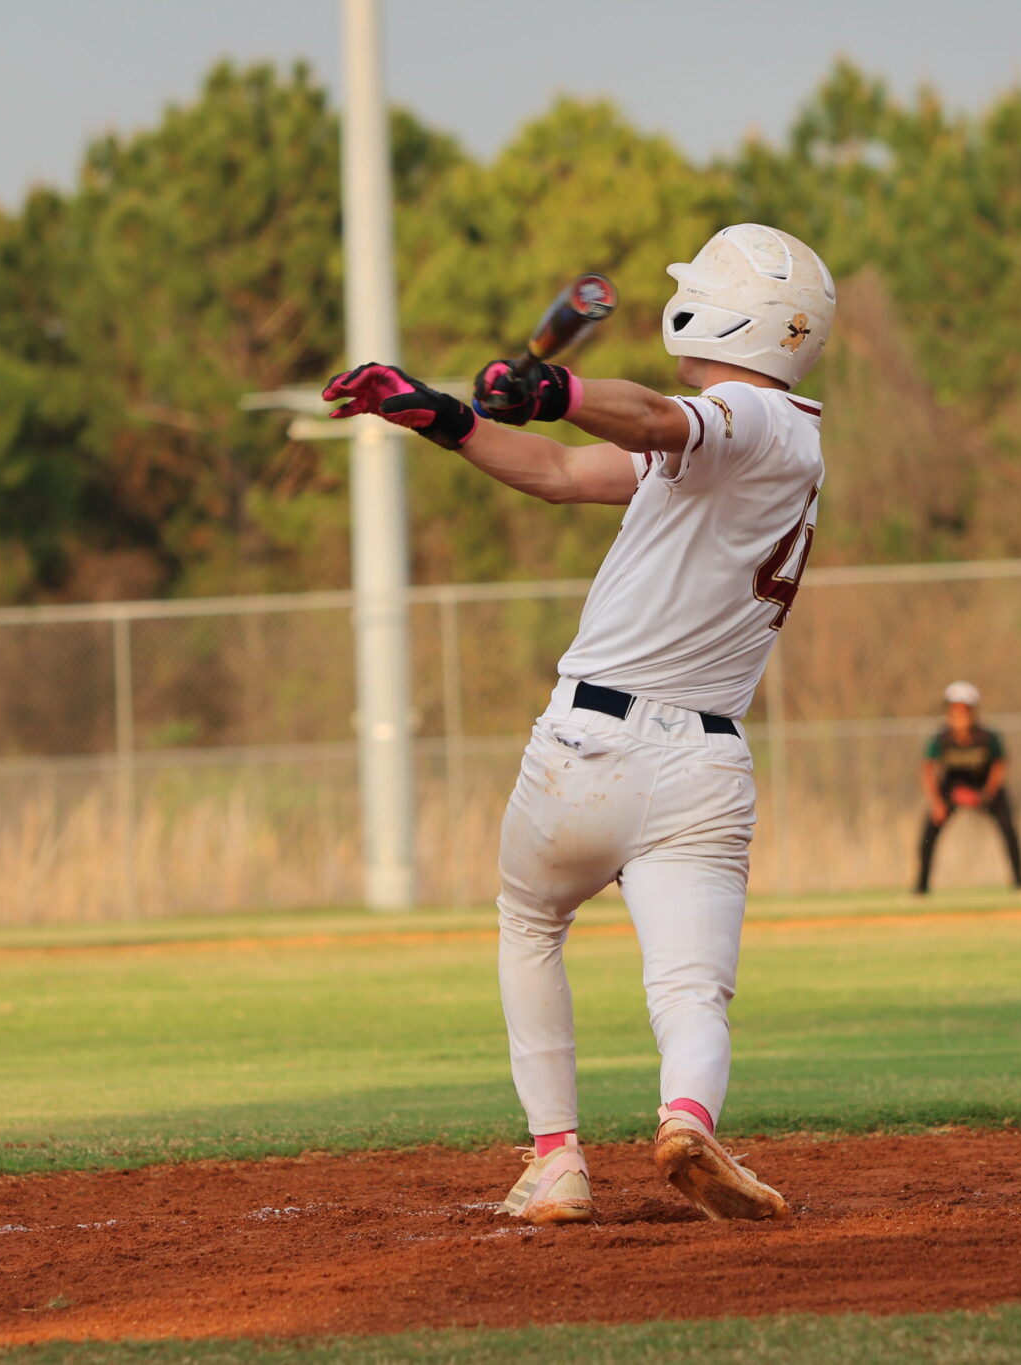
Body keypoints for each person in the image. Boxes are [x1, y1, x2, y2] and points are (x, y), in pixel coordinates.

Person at [322, 224, 835, 1226]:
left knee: (528, 924)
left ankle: (556, 1160)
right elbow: (561, 474)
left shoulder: (743, 419)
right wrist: (442, 415)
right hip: (703, 766)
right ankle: (686, 1117)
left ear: (726, 314)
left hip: (583, 750)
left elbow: (651, 417)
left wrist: (554, 389)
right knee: (691, 992)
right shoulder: (771, 444)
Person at [914, 681, 1021, 895]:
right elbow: (928, 768)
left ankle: (1020, 884)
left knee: (1008, 826)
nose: (959, 717)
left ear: (973, 712)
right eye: (954, 711)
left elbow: (999, 765)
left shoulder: (987, 737)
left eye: (964, 711)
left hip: (984, 786)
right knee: (928, 832)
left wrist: (987, 794)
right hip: (952, 787)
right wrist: (937, 802)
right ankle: (921, 888)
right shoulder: (941, 739)